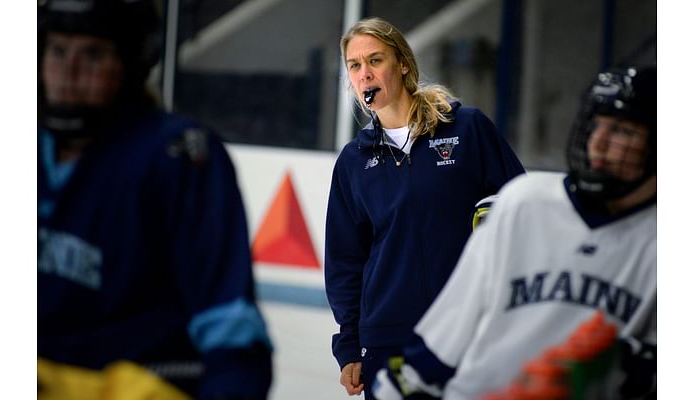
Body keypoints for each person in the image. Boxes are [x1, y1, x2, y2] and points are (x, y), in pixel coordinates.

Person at [372, 65, 657, 400]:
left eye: (622, 130)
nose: (599, 142)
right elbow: (446, 333)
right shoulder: (525, 203)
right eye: (596, 125)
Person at [37, 1, 272, 399]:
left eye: (93, 54)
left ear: (131, 63)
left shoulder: (177, 157)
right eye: (57, 51)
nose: (70, 74)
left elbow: (231, 330)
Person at [324, 17, 525, 399]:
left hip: (470, 329)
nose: (365, 74)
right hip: (387, 339)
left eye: (375, 60)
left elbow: (523, 212)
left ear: (402, 64)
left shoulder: (467, 129)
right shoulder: (354, 162)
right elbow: (345, 261)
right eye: (355, 66)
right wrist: (349, 345)